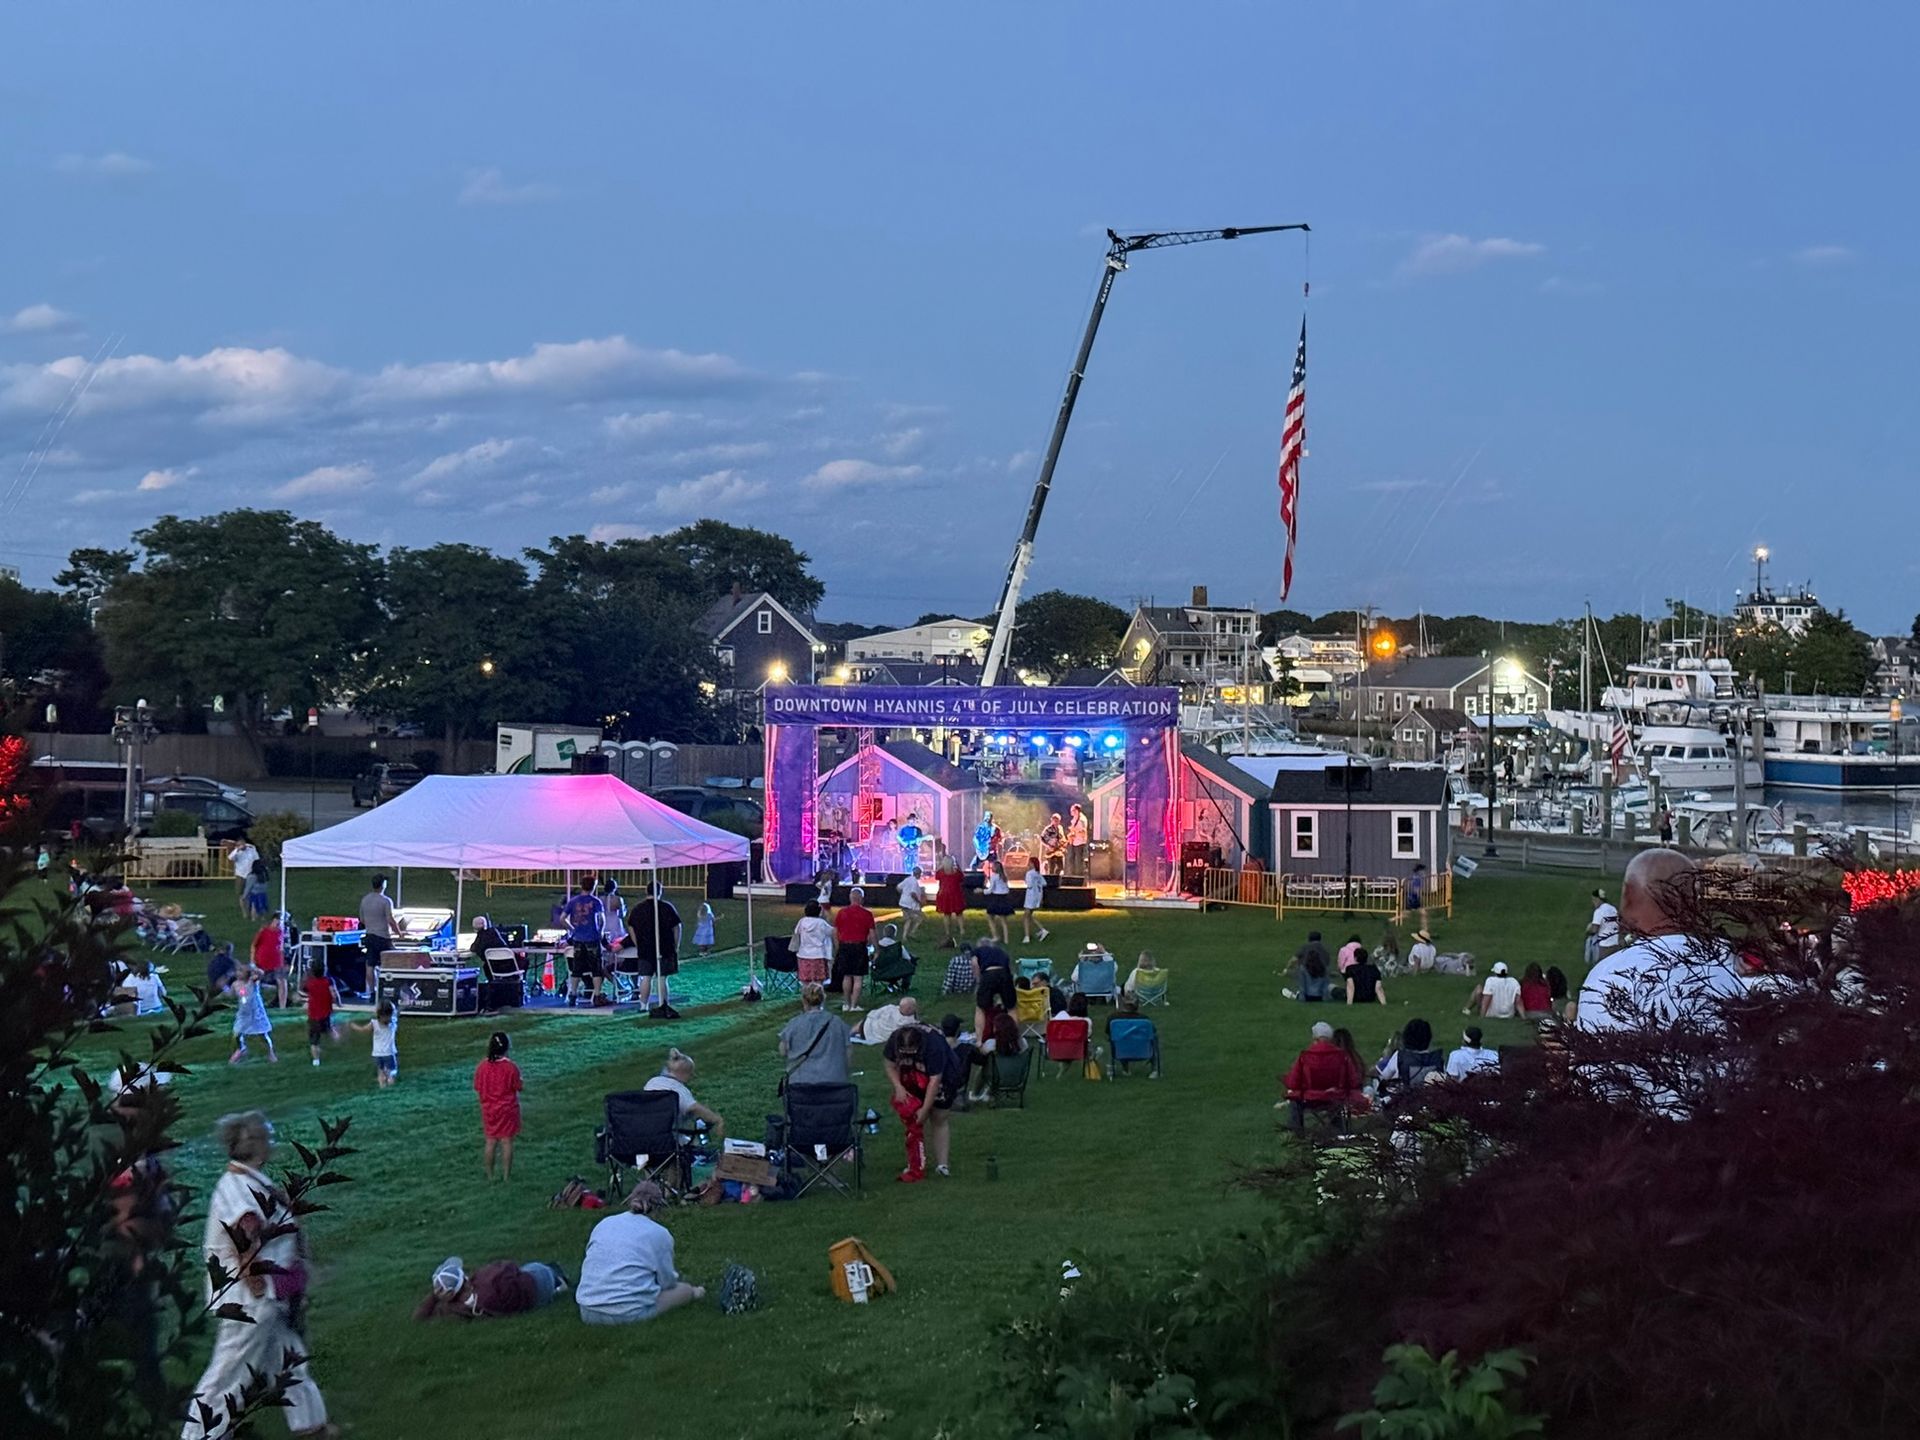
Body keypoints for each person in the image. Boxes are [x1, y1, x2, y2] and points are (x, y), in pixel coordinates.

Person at [180, 1111, 333, 1439]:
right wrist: (257, 1282)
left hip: (267, 1296)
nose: (272, 1143)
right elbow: (244, 1229)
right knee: (227, 1377)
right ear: (254, 1145)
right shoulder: (236, 1186)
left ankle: (311, 1426)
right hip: (250, 1301)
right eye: (268, 1137)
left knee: (289, 1362)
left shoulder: (251, 1181)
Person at [1576, 848, 1745, 1034]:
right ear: (1695, 901)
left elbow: (1598, 1060)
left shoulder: (1609, 977)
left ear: (1628, 898)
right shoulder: (1738, 965)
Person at [574, 1180, 704, 1324]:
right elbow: (667, 1282)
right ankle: (697, 1292)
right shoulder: (659, 1233)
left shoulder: (604, 1223)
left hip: (587, 1310)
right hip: (628, 1313)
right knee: (684, 1290)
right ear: (659, 1207)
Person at [883, 1019, 963, 1181]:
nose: (907, 1054)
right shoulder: (894, 1040)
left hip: (945, 1077)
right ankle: (915, 1162)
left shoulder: (934, 1046)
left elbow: (935, 1081)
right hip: (913, 1074)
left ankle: (942, 1165)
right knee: (913, 1121)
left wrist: (925, 1109)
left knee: (939, 1117)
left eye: (911, 1051)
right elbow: (889, 1064)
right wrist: (899, 1086)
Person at [414, 1254, 569, 1320]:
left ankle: (557, 1281)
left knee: (532, 1272)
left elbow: (419, 1317)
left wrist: (434, 1296)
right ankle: (557, 1278)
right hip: (538, 1280)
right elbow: (510, 1266)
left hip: (534, 1300)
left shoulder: (459, 1309)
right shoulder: (485, 1277)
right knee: (534, 1268)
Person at [1280, 1021, 1363, 1133]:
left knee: (1295, 1101)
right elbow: (1353, 1081)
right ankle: (1340, 1131)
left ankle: (1296, 1132)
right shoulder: (1342, 1056)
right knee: (1337, 1105)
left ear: (1315, 1039)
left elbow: (1293, 1083)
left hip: (1310, 1097)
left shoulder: (1306, 1056)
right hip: (1335, 1096)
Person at [645, 1047, 726, 1144]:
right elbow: (694, 1108)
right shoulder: (678, 1089)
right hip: (671, 1140)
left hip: (647, 1136)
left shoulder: (652, 1082)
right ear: (684, 1074)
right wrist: (717, 1119)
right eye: (691, 1074)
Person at [780, 982, 854, 1086]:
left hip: (801, 1083)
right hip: (834, 1081)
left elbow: (783, 1051)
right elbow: (848, 1051)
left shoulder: (794, 1024)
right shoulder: (837, 1022)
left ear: (804, 1001)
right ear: (823, 999)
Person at [628, 881, 683, 1019]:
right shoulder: (667, 907)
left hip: (645, 948)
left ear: (646, 891)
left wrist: (637, 944)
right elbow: (677, 927)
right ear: (660, 892)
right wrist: (676, 946)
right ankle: (664, 1004)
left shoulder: (637, 909)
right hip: (665, 947)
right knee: (662, 978)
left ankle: (643, 1005)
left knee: (645, 977)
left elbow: (631, 927)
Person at [474, 1031, 522, 1180]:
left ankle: (490, 1176)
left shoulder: (482, 1067)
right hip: (507, 1109)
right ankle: (507, 1175)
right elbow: (518, 1086)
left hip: (489, 1109)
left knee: (490, 1140)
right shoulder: (510, 1067)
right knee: (506, 1140)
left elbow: (477, 1087)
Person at [558, 879, 606, 1009]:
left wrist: (572, 929)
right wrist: (600, 931)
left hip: (578, 939)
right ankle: (596, 995)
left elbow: (562, 918)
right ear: (594, 886)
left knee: (576, 969)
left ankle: (573, 994)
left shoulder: (573, 902)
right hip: (592, 938)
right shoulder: (596, 902)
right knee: (596, 969)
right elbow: (602, 919)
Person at [358, 874, 405, 992]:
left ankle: (372, 992)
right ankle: (392, 989)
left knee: (370, 965)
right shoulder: (386, 901)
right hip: (383, 937)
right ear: (383, 885)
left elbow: (362, 919)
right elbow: (390, 920)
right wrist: (399, 933)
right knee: (395, 961)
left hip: (369, 936)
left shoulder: (365, 899)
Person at [832, 885, 876, 1013]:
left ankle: (846, 1003)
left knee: (846, 975)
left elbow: (835, 932)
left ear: (850, 898)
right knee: (858, 977)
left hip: (845, 945)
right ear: (861, 898)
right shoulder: (867, 914)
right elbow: (872, 933)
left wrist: (837, 947)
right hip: (859, 946)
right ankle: (854, 1005)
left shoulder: (842, 913)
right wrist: (877, 948)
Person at [966, 1010, 1023, 1102]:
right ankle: (988, 1092)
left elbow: (982, 1055)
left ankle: (975, 1093)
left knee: (984, 1067)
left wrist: (979, 1045)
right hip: (1016, 1076)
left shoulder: (991, 1044)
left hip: (997, 1077)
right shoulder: (1022, 1043)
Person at [970, 939, 1017, 1047]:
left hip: (988, 974)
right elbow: (1010, 969)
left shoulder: (977, 950)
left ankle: (979, 1040)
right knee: (1011, 1008)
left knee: (980, 1008)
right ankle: (1015, 1039)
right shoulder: (1001, 951)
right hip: (1004, 974)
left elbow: (974, 963)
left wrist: (978, 980)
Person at [1376, 1018, 1442, 1092]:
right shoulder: (1437, 1058)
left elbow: (1385, 1076)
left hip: (1407, 1100)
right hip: (1432, 1099)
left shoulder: (1400, 1056)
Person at [229, 965, 277, 1064]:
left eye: (241, 971)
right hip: (243, 1013)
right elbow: (231, 995)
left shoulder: (253, 981)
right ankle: (240, 1049)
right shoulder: (235, 984)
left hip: (255, 1012)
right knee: (237, 1033)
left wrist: (253, 969)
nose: (238, 973)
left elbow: (261, 973)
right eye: (237, 971)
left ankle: (270, 1052)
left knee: (262, 1034)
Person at [350, 1001, 399, 1087]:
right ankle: (391, 1086)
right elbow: (396, 1012)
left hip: (377, 1054)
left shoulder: (374, 1023)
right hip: (389, 1053)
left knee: (380, 1072)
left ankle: (382, 1086)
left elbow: (363, 1029)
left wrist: (353, 1026)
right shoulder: (393, 1022)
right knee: (391, 1072)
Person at [791, 900, 835, 988]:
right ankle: (818, 1000)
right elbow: (832, 932)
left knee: (805, 982)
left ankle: (807, 999)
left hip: (803, 955)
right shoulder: (821, 923)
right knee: (819, 982)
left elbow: (796, 933)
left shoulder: (802, 922)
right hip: (818, 955)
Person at [302, 961, 337, 1066]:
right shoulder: (328, 981)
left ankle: (316, 1060)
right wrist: (336, 1003)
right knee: (328, 1029)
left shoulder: (310, 983)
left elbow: (303, 990)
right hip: (325, 1013)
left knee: (314, 1039)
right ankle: (338, 1041)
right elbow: (333, 994)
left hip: (313, 1015)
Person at [252, 913, 289, 1009]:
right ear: (273, 920)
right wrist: (253, 961)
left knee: (282, 982)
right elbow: (254, 945)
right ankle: (255, 1004)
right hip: (262, 962)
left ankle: (282, 1006)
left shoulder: (282, 932)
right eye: (278, 920)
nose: (279, 923)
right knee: (255, 981)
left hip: (277, 962)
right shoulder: (264, 931)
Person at [933, 854, 967, 947]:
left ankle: (948, 931)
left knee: (946, 913)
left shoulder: (941, 873)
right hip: (956, 894)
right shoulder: (956, 873)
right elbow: (962, 878)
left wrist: (940, 866)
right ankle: (962, 930)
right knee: (959, 913)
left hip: (944, 894)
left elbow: (936, 876)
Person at [1586, 887, 1620, 965]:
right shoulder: (1613, 909)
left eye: (1594, 900)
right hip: (1615, 943)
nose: (1593, 902)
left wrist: (1588, 930)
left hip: (1605, 945)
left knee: (1603, 966)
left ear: (1598, 899)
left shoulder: (1599, 911)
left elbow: (1595, 929)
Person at [1294, 931, 1332, 1001]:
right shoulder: (1323, 968)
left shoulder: (1303, 969)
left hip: (1307, 996)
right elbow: (1325, 985)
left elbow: (1302, 986)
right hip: (1319, 996)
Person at [1020, 858, 1050, 943]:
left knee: (1026, 916)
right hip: (1037, 896)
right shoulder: (1037, 874)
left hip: (1030, 896)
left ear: (1032, 864)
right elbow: (1044, 883)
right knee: (1029, 916)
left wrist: (1026, 881)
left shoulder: (1029, 874)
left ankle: (1027, 936)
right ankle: (1042, 930)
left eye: (1029, 863)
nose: (1027, 864)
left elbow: (1029, 885)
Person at [228, 838, 260, 917]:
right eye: (240, 845)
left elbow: (257, 859)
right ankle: (245, 913)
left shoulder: (251, 849)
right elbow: (230, 858)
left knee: (252, 893)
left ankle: (253, 912)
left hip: (251, 874)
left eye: (243, 844)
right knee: (241, 894)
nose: (242, 846)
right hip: (240, 875)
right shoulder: (236, 852)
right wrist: (237, 850)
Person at [896, 869, 927, 945]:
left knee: (908, 920)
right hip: (909, 904)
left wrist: (904, 894)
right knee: (921, 917)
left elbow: (898, 887)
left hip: (903, 903)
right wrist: (919, 902)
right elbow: (913, 894)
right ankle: (912, 932)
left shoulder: (908, 879)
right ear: (919, 874)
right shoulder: (914, 882)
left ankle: (904, 937)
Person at [1065, 803, 1089, 877]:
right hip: (1073, 842)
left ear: (1077, 810)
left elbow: (1083, 831)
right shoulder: (1075, 818)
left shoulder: (1082, 819)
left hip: (1080, 842)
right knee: (1071, 859)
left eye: (1072, 810)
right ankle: (1071, 875)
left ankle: (1079, 876)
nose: (1071, 812)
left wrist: (1075, 831)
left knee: (1078, 860)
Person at [1404, 861, 1428, 929]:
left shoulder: (1414, 877)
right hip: (1414, 899)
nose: (1424, 873)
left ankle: (1391, 920)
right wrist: (1419, 898)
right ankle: (1424, 930)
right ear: (1419, 872)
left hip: (1410, 897)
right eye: (1423, 872)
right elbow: (1416, 890)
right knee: (1423, 913)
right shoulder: (1418, 879)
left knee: (1406, 914)